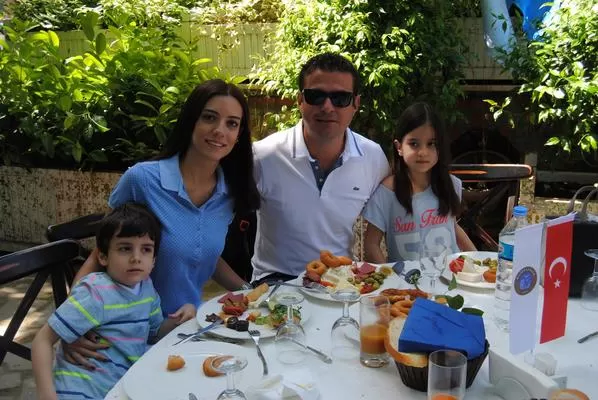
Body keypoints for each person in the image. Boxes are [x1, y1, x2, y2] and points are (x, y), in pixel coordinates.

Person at [66, 79, 260, 368]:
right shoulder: (143, 180)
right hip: (120, 334)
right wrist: (72, 324)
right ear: (191, 121)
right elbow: (100, 254)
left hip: (184, 326)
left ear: (239, 135)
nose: (220, 130)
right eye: (209, 117)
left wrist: (251, 291)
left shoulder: (228, 194)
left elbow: (202, 253)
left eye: (232, 123)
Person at [251, 52, 390, 283]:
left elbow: (398, 213)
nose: (327, 107)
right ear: (300, 100)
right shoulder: (263, 156)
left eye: (340, 98)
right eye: (316, 96)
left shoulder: (373, 158)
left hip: (340, 282)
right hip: (277, 284)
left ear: (355, 104)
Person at [32, 203, 193, 400]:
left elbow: (155, 333)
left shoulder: (146, 289)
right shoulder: (96, 291)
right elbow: (42, 340)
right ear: (103, 256)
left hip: (119, 390)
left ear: (153, 260)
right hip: (80, 392)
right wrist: (47, 396)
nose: (136, 258)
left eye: (146, 249)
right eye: (125, 248)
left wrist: (180, 317)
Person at [363, 102, 476, 264]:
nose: (423, 152)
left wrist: (477, 261)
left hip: (451, 277)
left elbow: (452, 226)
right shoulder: (386, 193)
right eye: (414, 144)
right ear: (399, 147)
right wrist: (390, 277)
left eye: (431, 144)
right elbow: (371, 245)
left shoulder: (449, 184)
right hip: (405, 280)